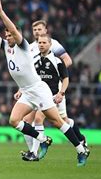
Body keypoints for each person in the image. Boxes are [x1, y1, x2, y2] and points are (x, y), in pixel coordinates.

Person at [0, 0, 89, 166]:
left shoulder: (23, 45)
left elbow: (12, 29)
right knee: (14, 121)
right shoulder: (6, 47)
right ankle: (42, 139)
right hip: (26, 91)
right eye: (7, 35)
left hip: (39, 89)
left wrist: (0, 12)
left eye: (11, 34)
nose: (8, 36)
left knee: (58, 122)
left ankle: (81, 150)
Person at [21, 34, 87, 161]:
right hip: (37, 95)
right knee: (29, 120)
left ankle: (34, 153)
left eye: (44, 43)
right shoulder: (34, 60)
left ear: (50, 45)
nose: (41, 45)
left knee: (40, 118)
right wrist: (21, 90)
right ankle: (80, 148)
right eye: (39, 43)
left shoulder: (57, 61)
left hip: (51, 96)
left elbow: (66, 79)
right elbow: (29, 77)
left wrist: (61, 93)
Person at [21, 20, 73, 156]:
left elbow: (67, 61)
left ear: (46, 30)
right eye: (35, 30)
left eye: (39, 29)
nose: (37, 32)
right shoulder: (32, 47)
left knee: (62, 120)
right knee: (27, 120)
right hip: (36, 89)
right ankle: (33, 151)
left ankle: (80, 141)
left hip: (54, 89)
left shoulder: (53, 44)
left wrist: (52, 73)